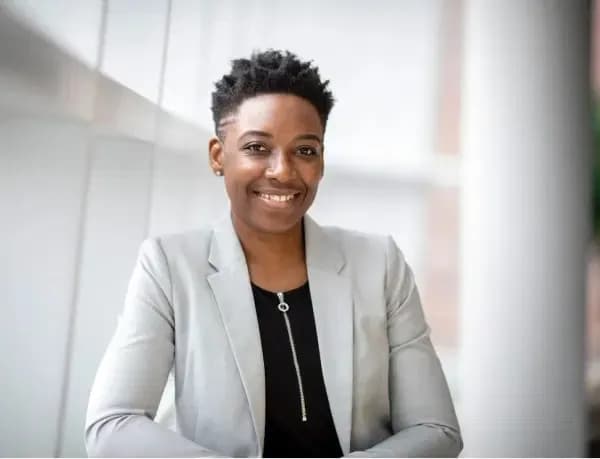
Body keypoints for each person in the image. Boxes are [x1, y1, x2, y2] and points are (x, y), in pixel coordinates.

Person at [85, 49, 462, 458]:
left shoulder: (380, 264)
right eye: (257, 148)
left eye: (304, 150)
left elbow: (436, 430)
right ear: (218, 155)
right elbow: (112, 425)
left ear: (320, 161)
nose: (282, 170)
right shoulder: (169, 265)